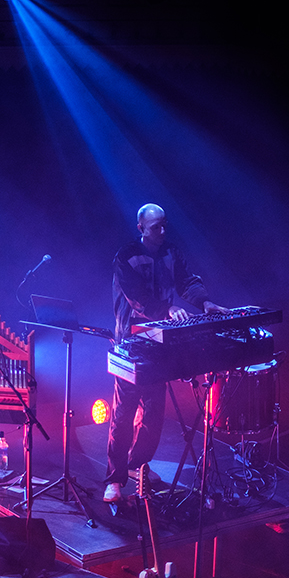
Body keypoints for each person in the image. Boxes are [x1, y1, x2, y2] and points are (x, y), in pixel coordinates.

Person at [104, 203, 228, 502]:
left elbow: (188, 280)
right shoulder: (126, 256)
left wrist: (205, 303)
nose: (162, 231)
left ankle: (137, 465)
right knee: (123, 414)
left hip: (161, 344)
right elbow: (136, 296)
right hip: (130, 343)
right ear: (141, 228)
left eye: (164, 225)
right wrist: (166, 309)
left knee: (154, 413)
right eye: (155, 227)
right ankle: (114, 479)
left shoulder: (172, 252)